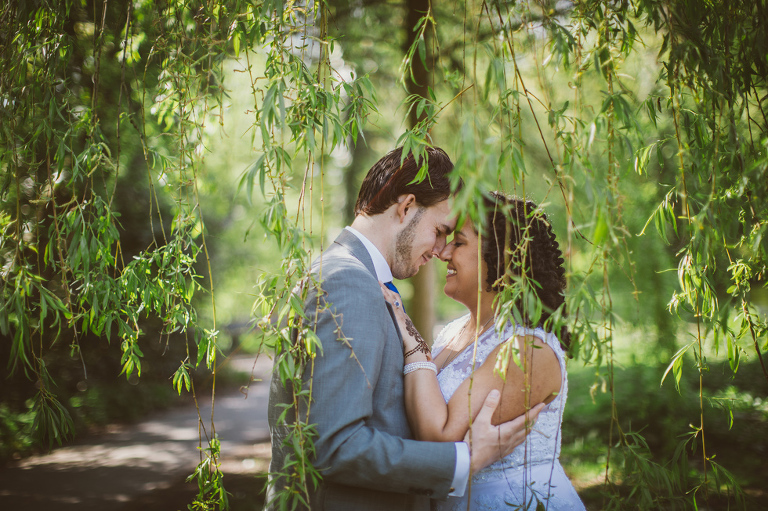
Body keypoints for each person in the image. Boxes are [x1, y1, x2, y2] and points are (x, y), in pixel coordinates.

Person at [266, 148, 544, 511]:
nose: (441, 251)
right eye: (441, 231)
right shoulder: (348, 282)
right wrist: (465, 460)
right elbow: (334, 444)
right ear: (407, 207)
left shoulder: (345, 275)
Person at [381, 192, 586, 510]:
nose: (442, 252)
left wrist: (410, 336)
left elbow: (440, 441)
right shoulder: (451, 332)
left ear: (502, 258)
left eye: (459, 243)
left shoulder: (528, 349)